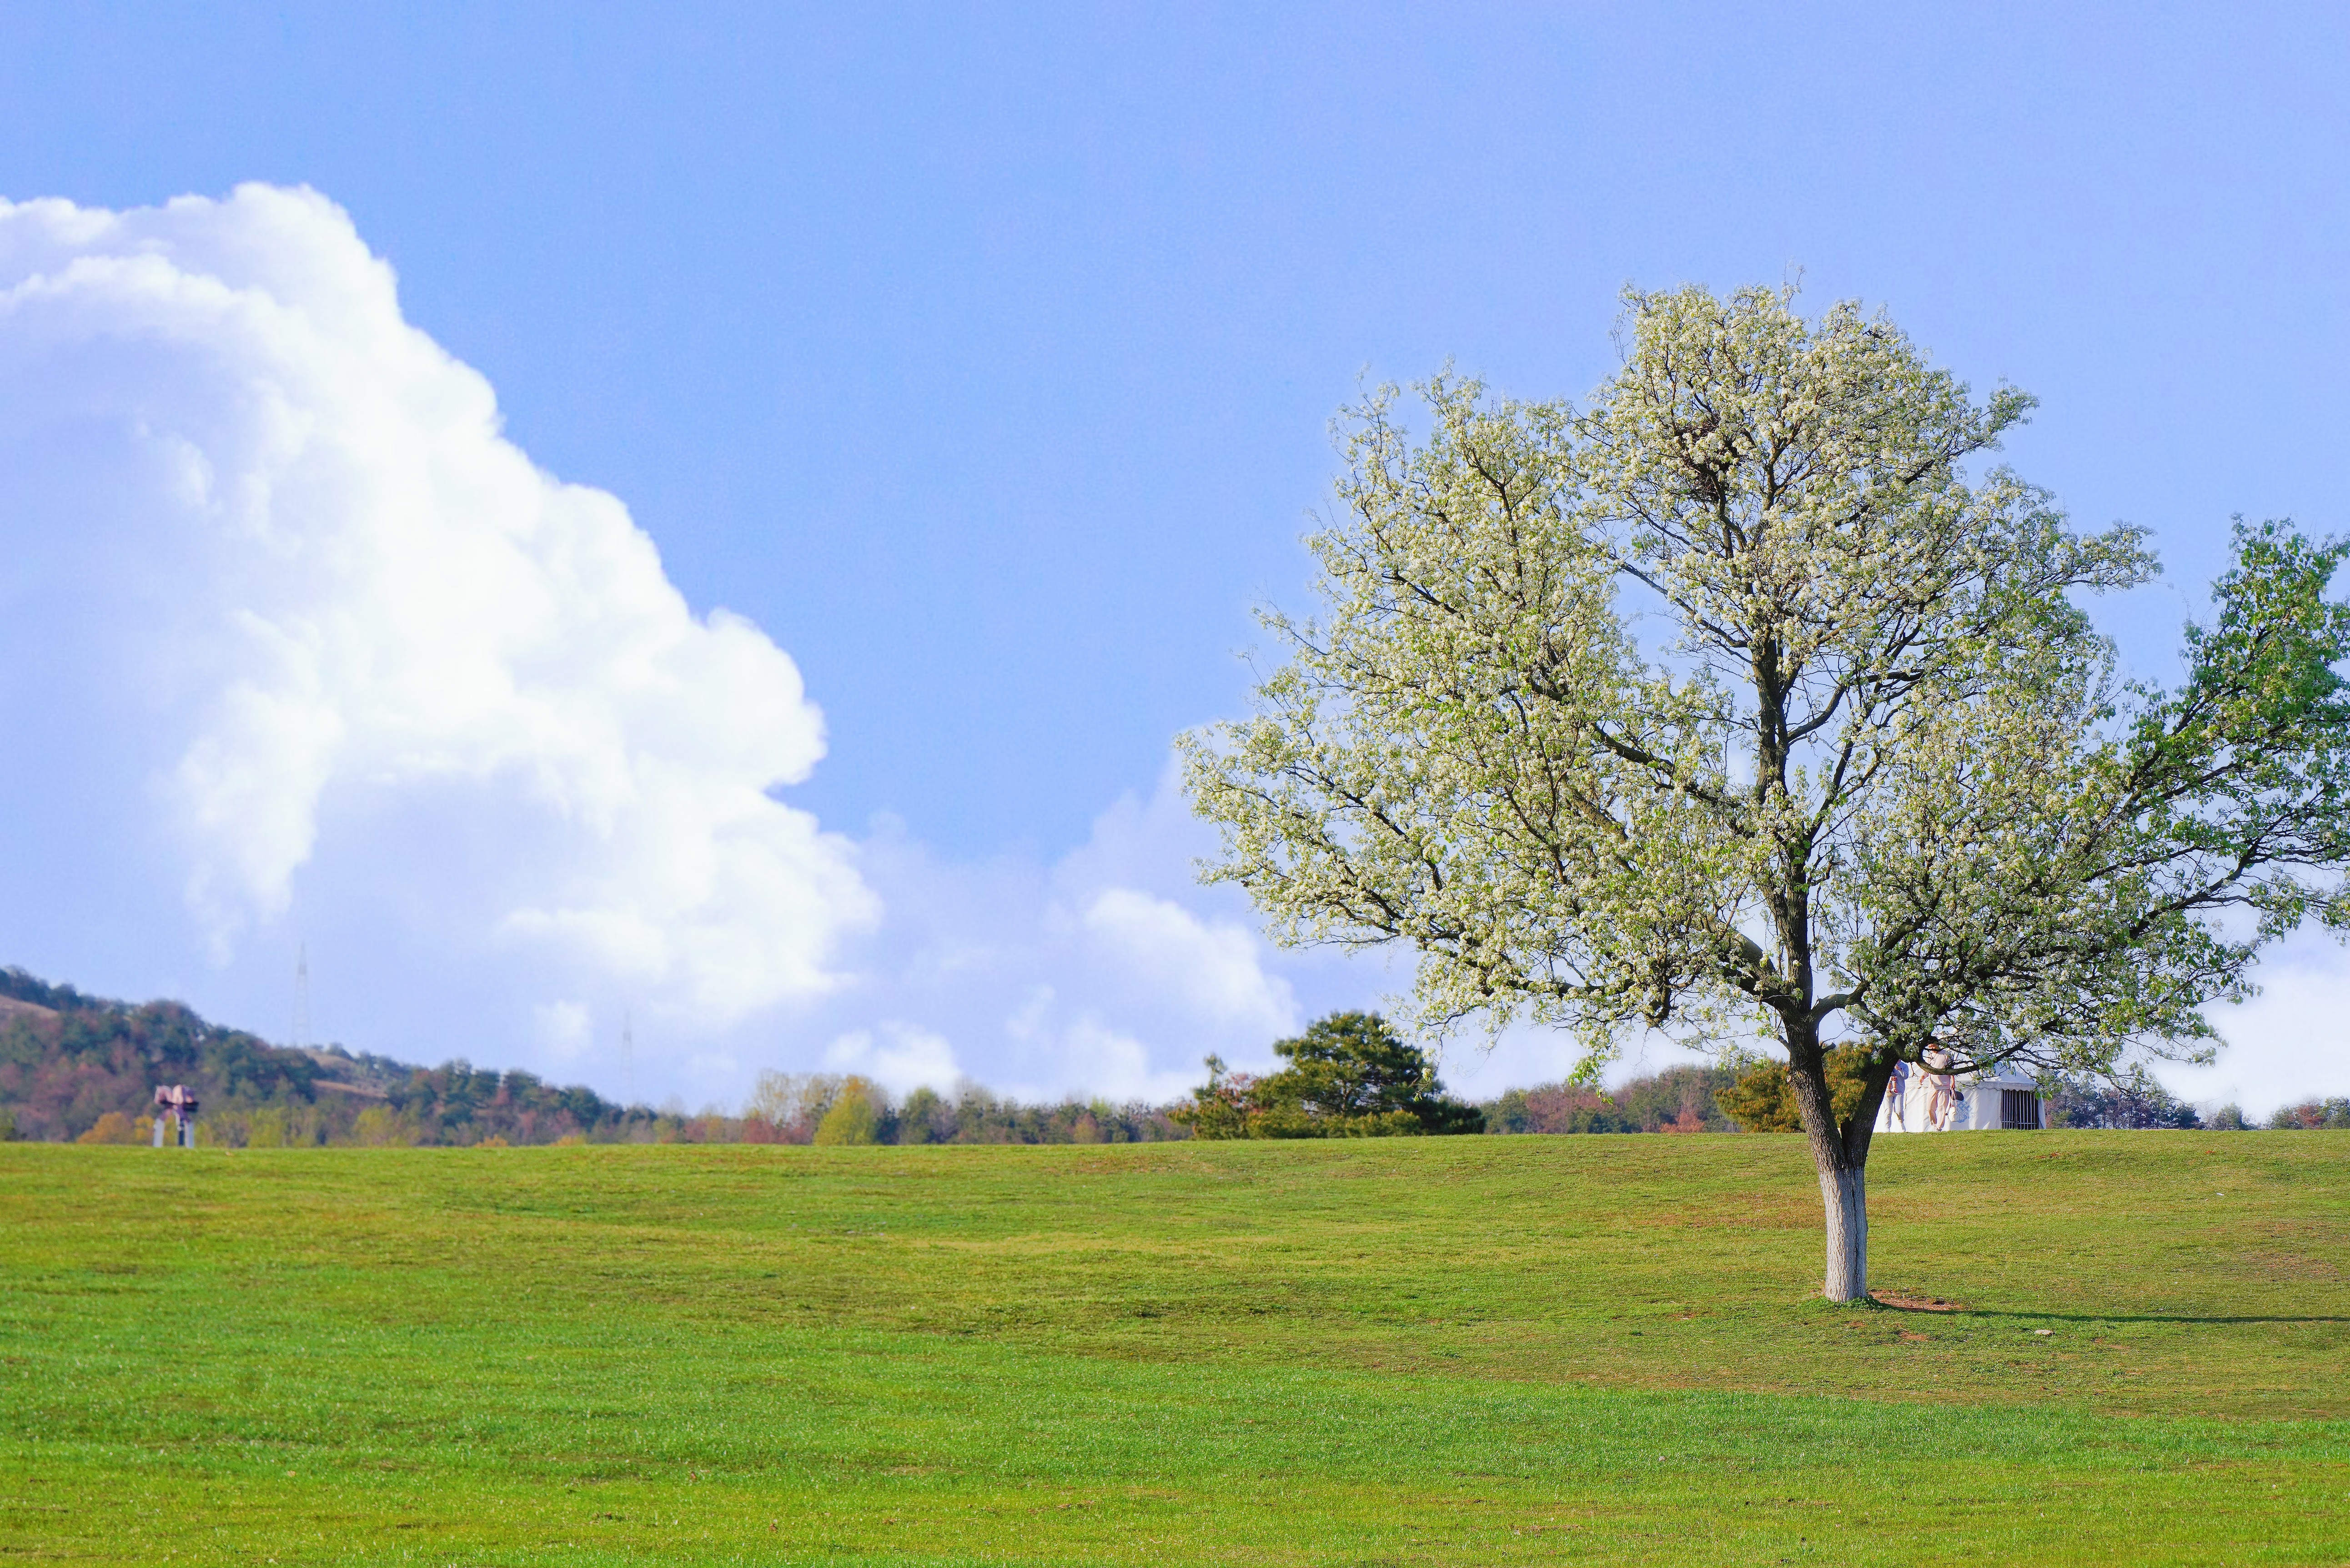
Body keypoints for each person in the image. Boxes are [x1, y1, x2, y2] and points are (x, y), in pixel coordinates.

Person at [1921, 1045, 1957, 1131]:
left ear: (1937, 1045)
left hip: (1944, 1085)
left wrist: (1953, 1082)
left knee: (1942, 1108)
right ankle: (1934, 1124)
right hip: (1932, 1086)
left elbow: (1951, 1070)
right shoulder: (1930, 1056)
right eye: (1930, 1046)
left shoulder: (1947, 1055)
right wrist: (1923, 1076)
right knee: (1930, 1108)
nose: (1931, 1048)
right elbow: (1926, 1069)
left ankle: (1939, 1127)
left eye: (1933, 1046)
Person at [1886, 1057, 1912, 1130]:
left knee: (1899, 1110)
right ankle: (1887, 1128)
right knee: (1888, 1110)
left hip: (1899, 1090)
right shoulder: (1888, 1064)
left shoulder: (1904, 1066)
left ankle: (1901, 1122)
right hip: (1889, 1090)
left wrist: (1900, 1069)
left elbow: (1906, 1076)